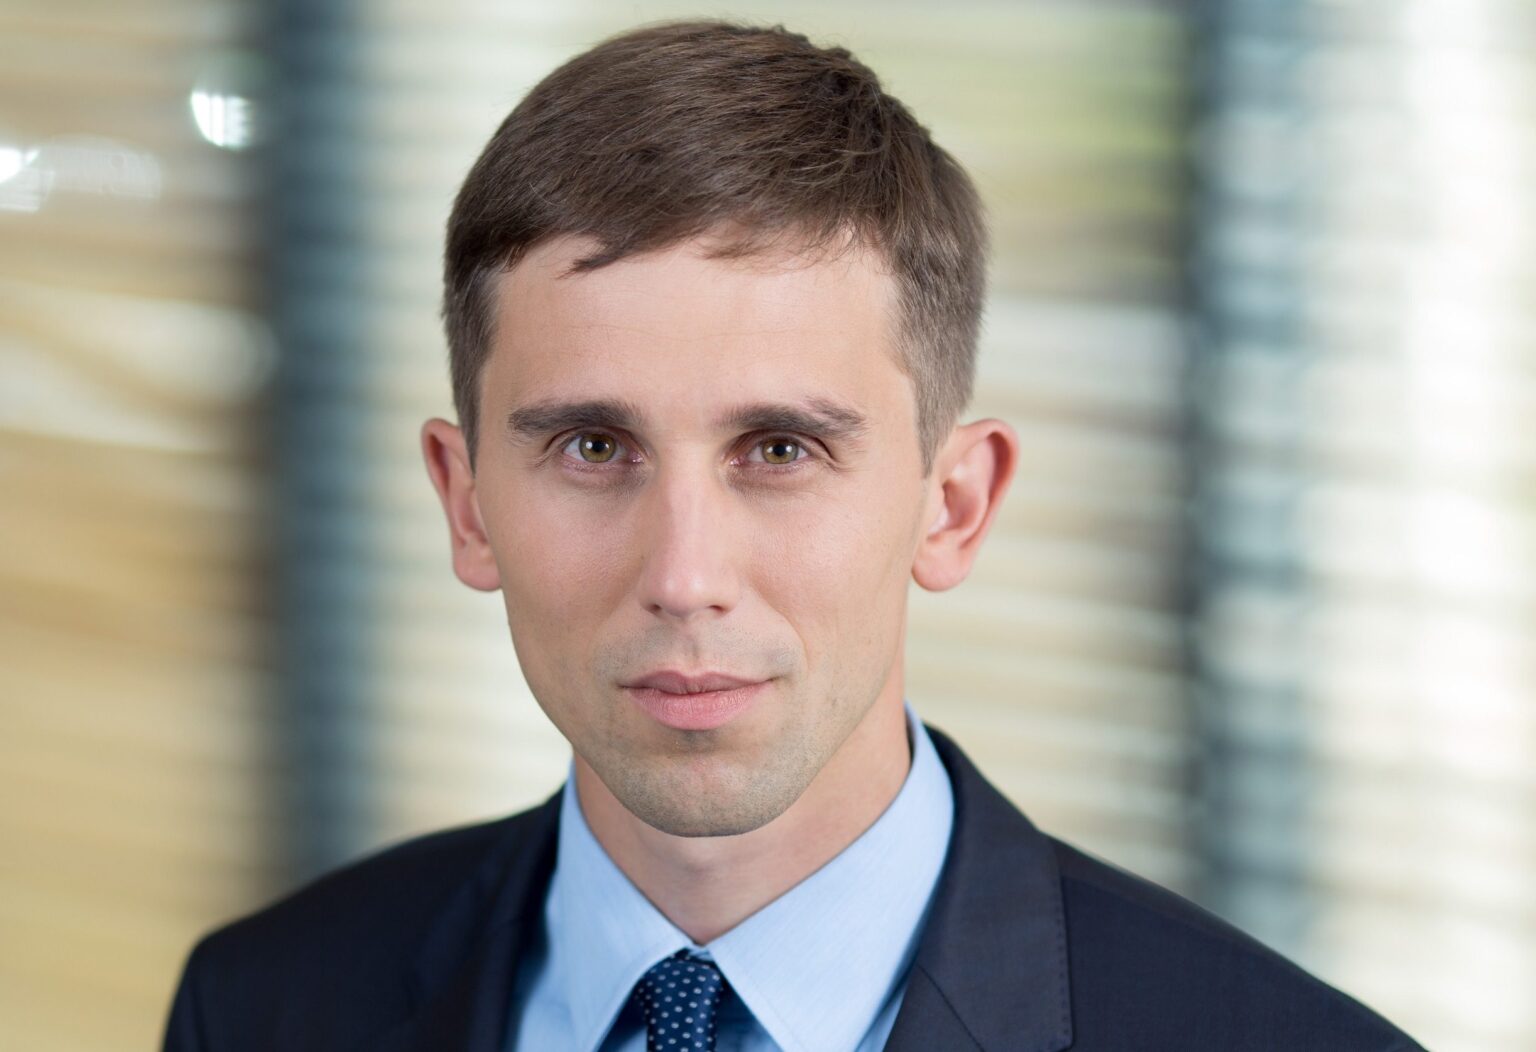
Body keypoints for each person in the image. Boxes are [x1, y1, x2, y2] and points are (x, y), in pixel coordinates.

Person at [162, 20, 1424, 1052]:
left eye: (780, 451)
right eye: (594, 448)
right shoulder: (262, 1005)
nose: (684, 576)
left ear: (954, 503)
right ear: (465, 500)